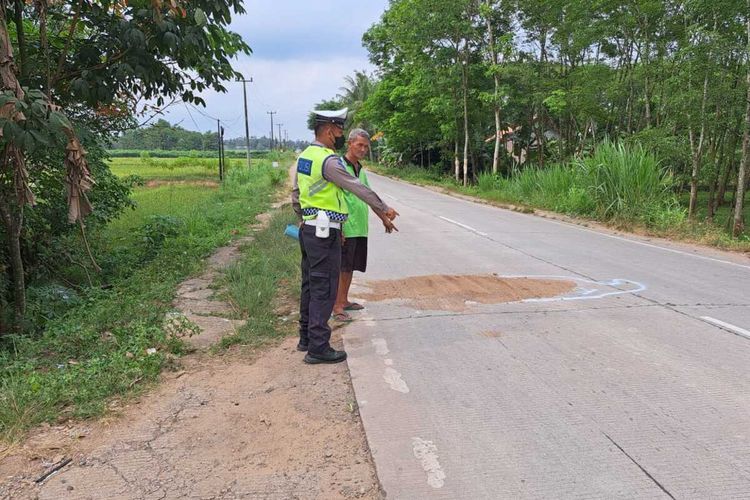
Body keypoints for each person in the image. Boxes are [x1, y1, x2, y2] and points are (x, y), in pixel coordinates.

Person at [292, 108, 399, 364]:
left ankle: (306, 337)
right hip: (323, 231)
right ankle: (318, 347)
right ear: (329, 130)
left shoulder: (305, 157)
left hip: (309, 228)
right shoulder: (329, 161)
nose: (339, 136)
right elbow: (356, 187)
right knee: (324, 288)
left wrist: (306, 220)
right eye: (339, 131)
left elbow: (296, 195)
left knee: (309, 284)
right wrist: (384, 208)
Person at [332, 129, 396, 322]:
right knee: (342, 267)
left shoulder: (360, 170)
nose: (363, 149)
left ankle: (344, 300)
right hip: (346, 226)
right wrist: (339, 225)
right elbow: (335, 198)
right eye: (359, 145)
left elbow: (368, 196)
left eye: (366, 146)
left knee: (350, 267)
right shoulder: (339, 167)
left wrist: (384, 218)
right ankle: (336, 306)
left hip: (360, 227)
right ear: (349, 144)